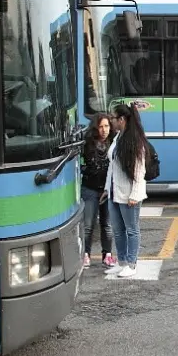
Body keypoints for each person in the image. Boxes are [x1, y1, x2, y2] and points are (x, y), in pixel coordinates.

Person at [104, 103, 150, 278]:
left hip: (129, 193)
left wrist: (135, 195)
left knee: (131, 229)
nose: (111, 121)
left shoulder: (134, 141)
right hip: (115, 191)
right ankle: (122, 261)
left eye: (113, 118)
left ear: (122, 120)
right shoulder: (118, 137)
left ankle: (131, 263)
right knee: (117, 229)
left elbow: (139, 170)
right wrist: (107, 189)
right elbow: (112, 166)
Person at [81, 112, 114, 268]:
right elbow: (80, 164)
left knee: (107, 225)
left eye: (106, 126)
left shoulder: (114, 143)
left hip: (107, 190)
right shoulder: (87, 143)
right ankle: (85, 254)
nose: (104, 130)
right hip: (90, 189)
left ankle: (107, 255)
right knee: (88, 224)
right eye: (101, 126)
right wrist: (86, 170)